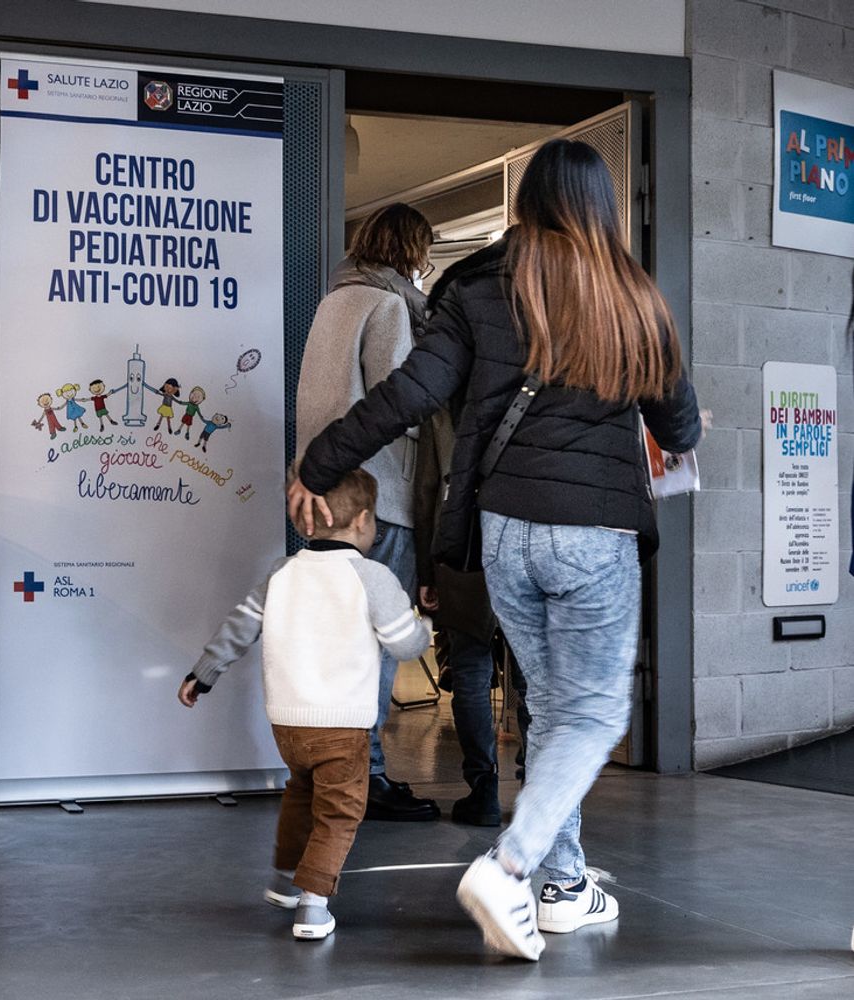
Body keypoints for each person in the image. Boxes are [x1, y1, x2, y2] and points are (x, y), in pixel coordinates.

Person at [289, 139, 701, 961]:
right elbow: (679, 426)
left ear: (526, 204)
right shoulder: (635, 298)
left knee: (552, 709)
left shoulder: (481, 288)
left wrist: (318, 464)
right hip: (594, 536)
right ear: (603, 206)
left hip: (505, 529)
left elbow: (409, 393)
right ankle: (511, 866)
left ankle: (564, 883)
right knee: (592, 711)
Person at [178, 468, 432, 941]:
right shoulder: (371, 576)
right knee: (339, 811)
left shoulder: (282, 572)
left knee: (301, 794)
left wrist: (203, 673)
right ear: (362, 521)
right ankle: (314, 906)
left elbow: (240, 626)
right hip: (341, 726)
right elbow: (403, 644)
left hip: (288, 725)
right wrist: (423, 631)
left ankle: (283, 883)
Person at [295, 202, 440, 822]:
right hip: (376, 497)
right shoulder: (388, 307)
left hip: (323, 486)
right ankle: (369, 777)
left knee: (335, 637)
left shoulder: (334, 301)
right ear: (412, 249)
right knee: (375, 639)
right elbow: (399, 402)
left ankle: (330, 773)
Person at [409, 275, 503, 828]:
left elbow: (425, 489)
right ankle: (542, 797)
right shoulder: (524, 375)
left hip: (461, 539)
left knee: (468, 669)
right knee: (536, 675)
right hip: (524, 535)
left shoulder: (441, 392)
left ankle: (484, 790)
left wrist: (427, 570)